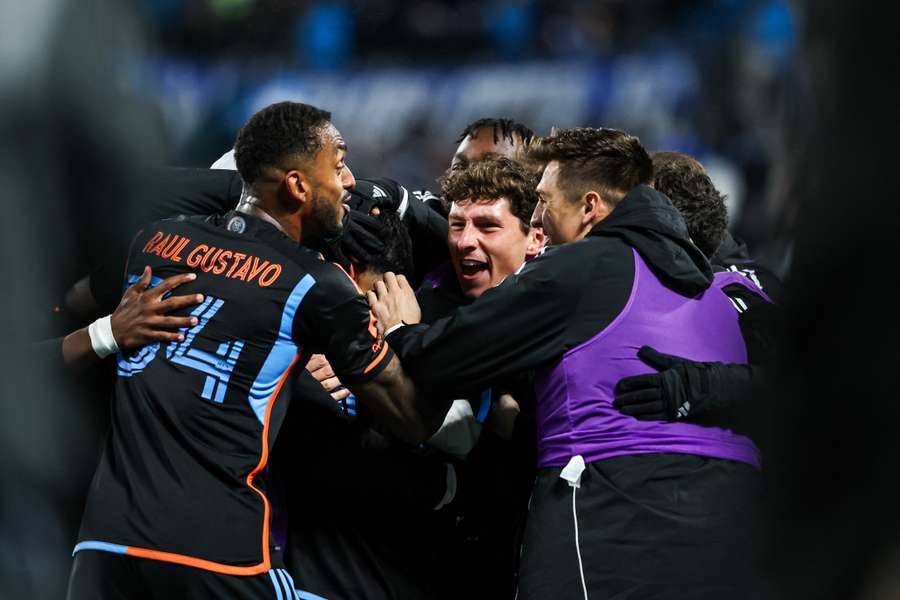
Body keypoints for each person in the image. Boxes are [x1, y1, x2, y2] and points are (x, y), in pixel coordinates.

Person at [369, 127, 769, 599]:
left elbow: (443, 358)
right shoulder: (721, 287)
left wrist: (401, 333)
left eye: (543, 200)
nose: (538, 215)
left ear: (589, 207)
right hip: (736, 520)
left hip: (613, 511)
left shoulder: (585, 265)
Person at [66, 101, 425, 599]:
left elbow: (70, 300)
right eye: (339, 164)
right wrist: (404, 334)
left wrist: (101, 330)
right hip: (216, 554)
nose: (347, 182)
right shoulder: (317, 285)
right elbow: (412, 417)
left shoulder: (152, 244)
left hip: (102, 549)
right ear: (298, 186)